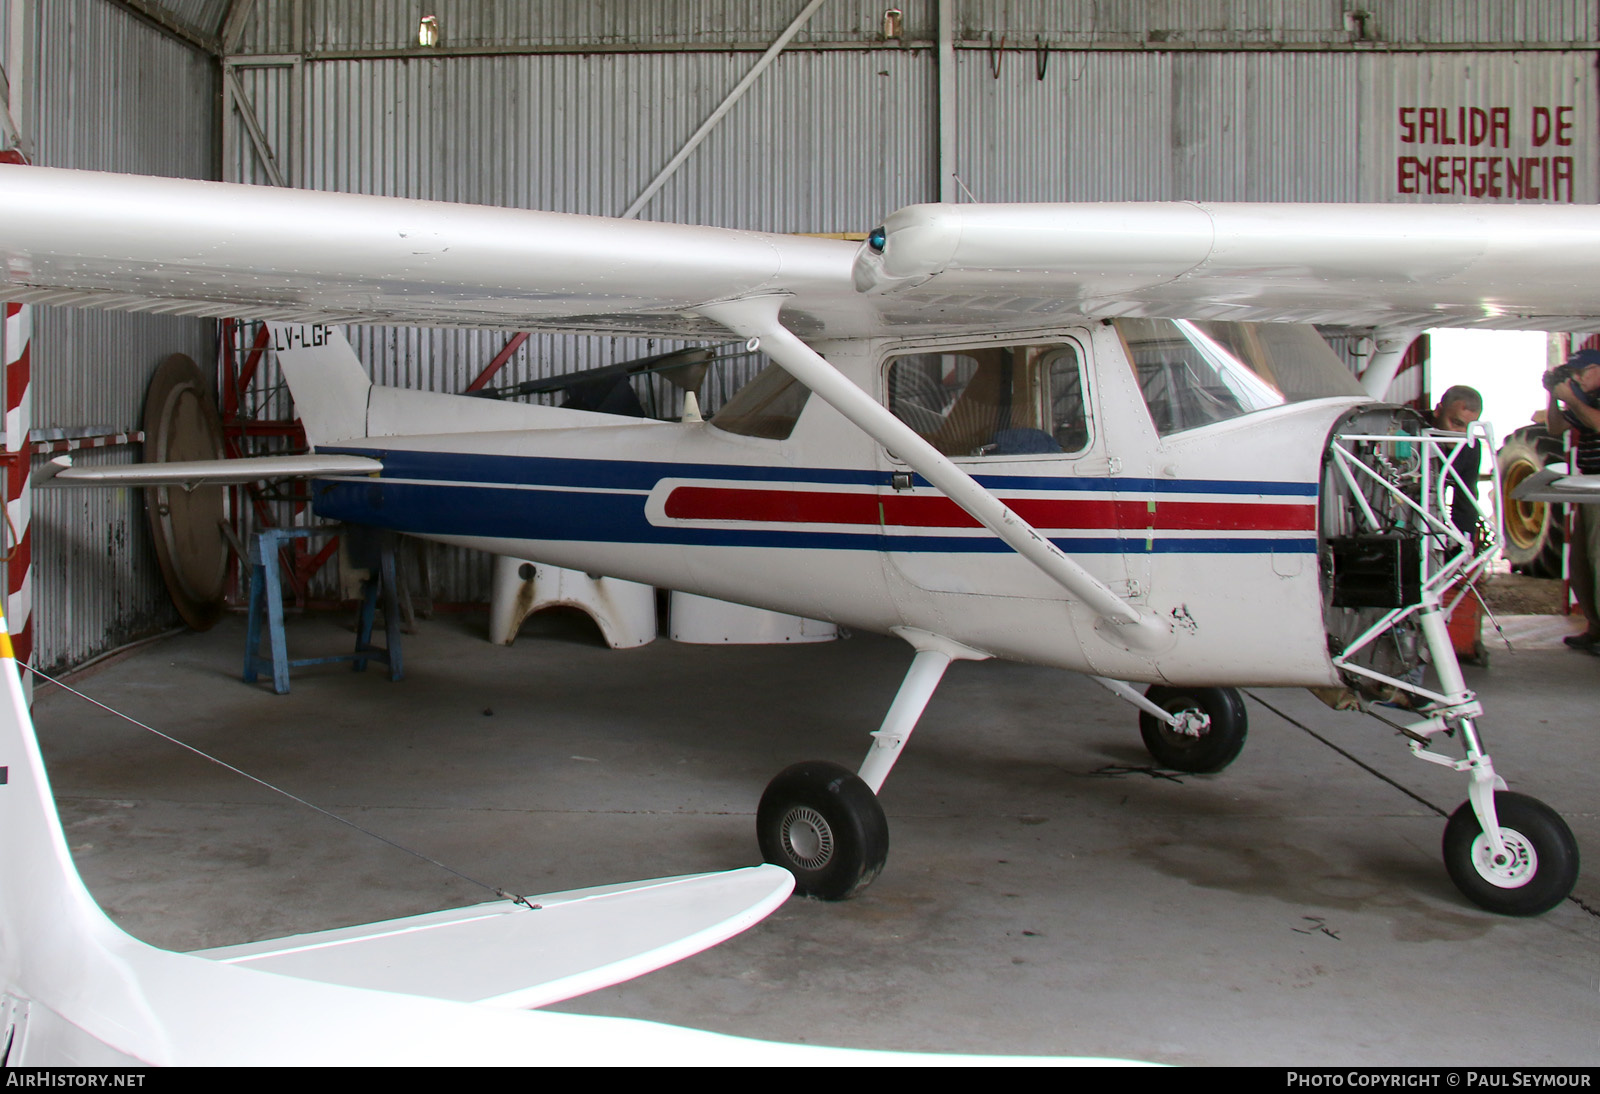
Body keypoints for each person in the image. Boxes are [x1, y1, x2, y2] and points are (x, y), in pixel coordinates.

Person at [1545, 349, 1600, 650]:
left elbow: (1597, 424)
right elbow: (1555, 427)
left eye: (1580, 372)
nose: (1575, 378)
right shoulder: (1585, 399)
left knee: (1597, 558)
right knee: (1581, 562)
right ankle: (1595, 626)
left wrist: (1573, 398)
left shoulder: (1587, 402)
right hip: (1589, 487)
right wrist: (1554, 395)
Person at [1428, 385, 1485, 536]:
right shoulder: (1410, 432)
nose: (1462, 433)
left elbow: (1466, 500)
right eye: (1457, 423)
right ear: (1438, 411)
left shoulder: (1470, 446)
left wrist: (1464, 546)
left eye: (1469, 427)